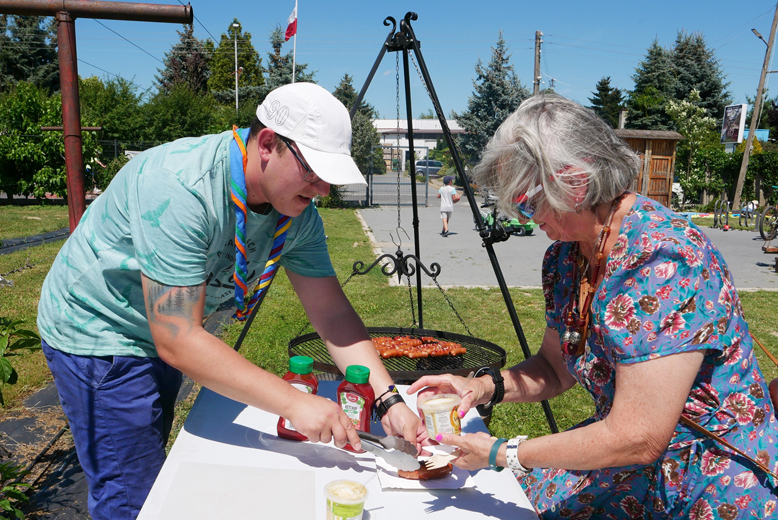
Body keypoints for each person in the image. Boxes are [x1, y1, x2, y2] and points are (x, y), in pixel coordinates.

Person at [37, 82, 423, 520]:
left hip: (159, 330)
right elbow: (179, 338)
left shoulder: (298, 214)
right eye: (313, 171)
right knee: (133, 496)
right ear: (267, 144)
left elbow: (332, 315)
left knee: (148, 463)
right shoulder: (181, 186)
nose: (323, 190)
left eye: (330, 177)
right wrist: (295, 402)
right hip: (101, 330)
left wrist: (389, 399)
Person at [409, 93, 778, 518]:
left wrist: (501, 452)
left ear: (576, 181)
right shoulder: (566, 258)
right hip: (634, 464)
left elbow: (638, 435)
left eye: (528, 201)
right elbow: (553, 369)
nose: (525, 218)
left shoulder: (663, 258)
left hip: (708, 482)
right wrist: (483, 387)